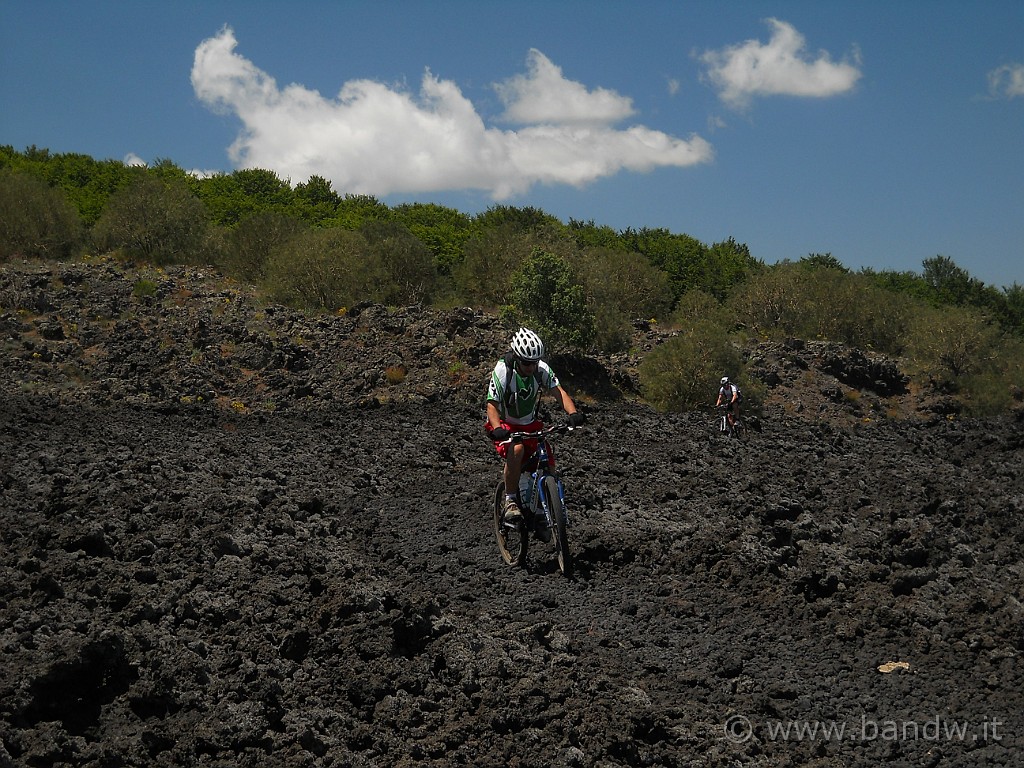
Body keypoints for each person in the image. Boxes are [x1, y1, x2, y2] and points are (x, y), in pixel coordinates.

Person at [485, 328, 584, 538]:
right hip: (505, 424)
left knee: (547, 460)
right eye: (527, 363)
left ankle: (543, 509)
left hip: (530, 424)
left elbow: (560, 393)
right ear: (517, 359)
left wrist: (573, 413)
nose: (532, 367)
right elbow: (492, 405)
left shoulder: (541, 369)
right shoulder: (503, 370)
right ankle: (510, 500)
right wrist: (497, 429)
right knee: (518, 449)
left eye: (535, 362)